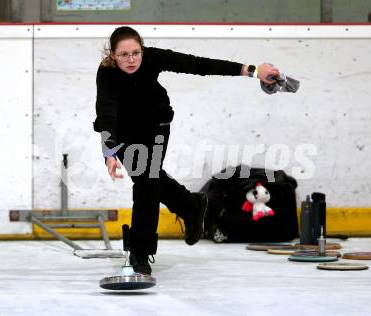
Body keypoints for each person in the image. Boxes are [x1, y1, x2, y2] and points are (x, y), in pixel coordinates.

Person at [93, 26, 280, 275]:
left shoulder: (153, 58)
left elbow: (200, 65)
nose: (131, 60)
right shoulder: (107, 73)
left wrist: (253, 71)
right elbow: (106, 113)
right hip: (124, 133)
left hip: (155, 126)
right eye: (124, 55)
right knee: (150, 179)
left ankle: (140, 252)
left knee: (147, 182)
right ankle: (191, 205)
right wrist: (110, 153)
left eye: (136, 53)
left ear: (142, 49)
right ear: (112, 55)